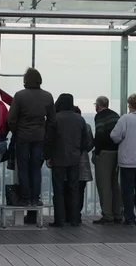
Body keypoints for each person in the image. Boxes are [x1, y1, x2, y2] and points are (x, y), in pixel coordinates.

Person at [8, 68, 55, 217]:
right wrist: (45, 133)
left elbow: (11, 119)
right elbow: (52, 120)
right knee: (36, 168)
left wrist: (16, 131)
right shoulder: (47, 96)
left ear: (26, 80)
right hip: (40, 136)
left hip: (23, 136)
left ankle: (25, 198)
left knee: (23, 167)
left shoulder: (20, 96)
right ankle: (36, 199)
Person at [44, 94, 93, 227]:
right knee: (74, 189)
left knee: (59, 190)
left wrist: (48, 156)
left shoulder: (55, 119)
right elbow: (85, 141)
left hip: (58, 159)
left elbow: (49, 139)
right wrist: (77, 151)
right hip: (74, 159)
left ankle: (59, 219)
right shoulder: (80, 119)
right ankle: (75, 218)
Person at [110, 93, 136, 226]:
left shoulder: (125, 119)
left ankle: (129, 218)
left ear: (130, 105)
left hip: (128, 161)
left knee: (128, 190)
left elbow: (115, 136)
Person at [92, 96, 122, 225]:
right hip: (116, 152)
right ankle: (117, 214)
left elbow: (100, 134)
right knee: (114, 184)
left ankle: (107, 215)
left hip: (104, 153)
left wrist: (97, 152)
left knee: (104, 185)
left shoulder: (100, 116)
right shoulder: (116, 115)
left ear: (98, 106)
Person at [64, 106, 94, 224]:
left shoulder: (65, 126)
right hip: (83, 162)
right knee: (80, 191)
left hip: (66, 161)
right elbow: (90, 144)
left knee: (67, 190)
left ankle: (67, 214)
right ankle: (76, 214)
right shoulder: (86, 127)